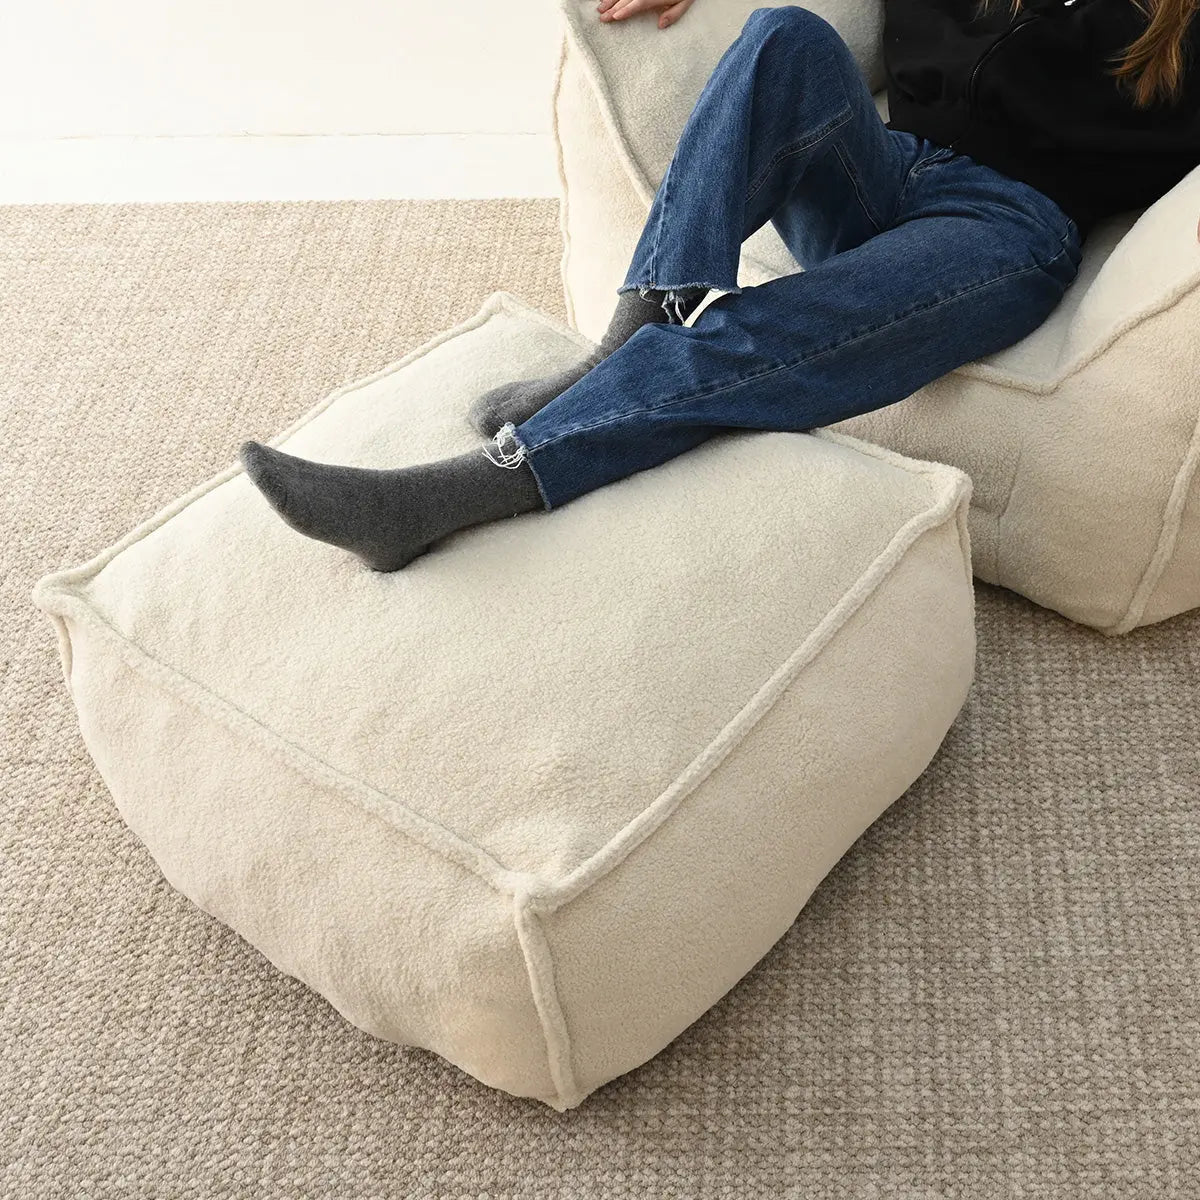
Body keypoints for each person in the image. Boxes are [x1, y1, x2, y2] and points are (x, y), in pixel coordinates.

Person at [241, 0, 1200, 572]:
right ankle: (636, 326)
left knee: (774, 328)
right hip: (888, 165)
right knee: (784, 33)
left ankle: (463, 491)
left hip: (1010, 226)